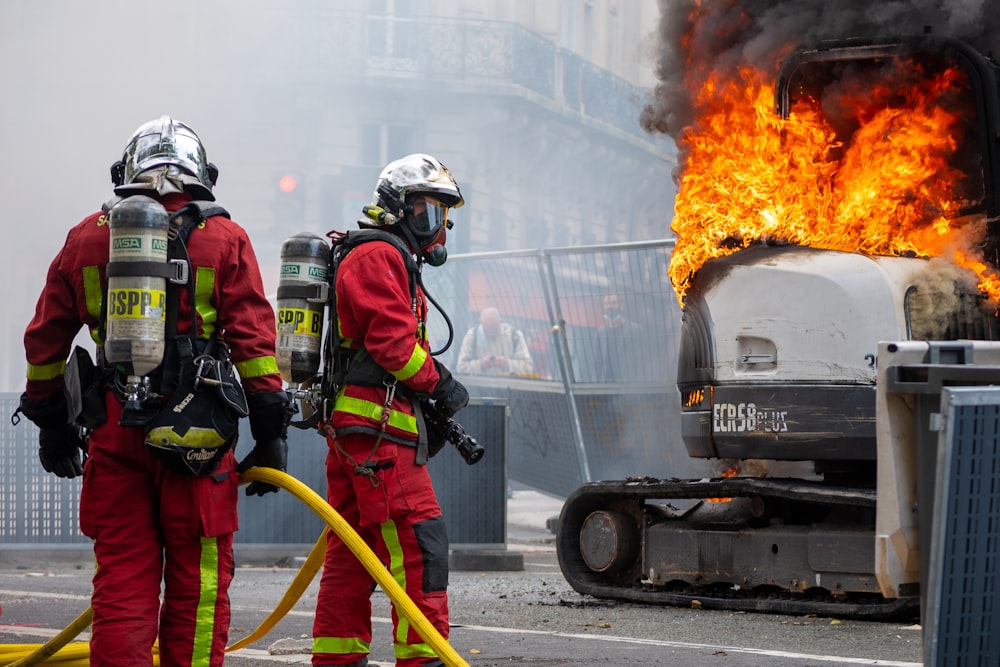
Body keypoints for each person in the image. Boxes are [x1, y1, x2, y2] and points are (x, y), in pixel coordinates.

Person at [15, 116, 289, 667]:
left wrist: (52, 427)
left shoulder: (88, 235)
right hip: (199, 433)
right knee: (198, 586)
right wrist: (270, 430)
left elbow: (45, 342)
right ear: (200, 174)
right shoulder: (224, 238)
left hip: (114, 430)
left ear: (128, 172)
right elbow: (255, 344)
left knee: (122, 582)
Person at [311, 153, 470, 667]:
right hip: (379, 435)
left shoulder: (384, 255)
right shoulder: (377, 255)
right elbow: (394, 346)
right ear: (397, 208)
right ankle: (425, 660)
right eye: (426, 212)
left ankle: (337, 658)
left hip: (365, 433)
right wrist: (441, 385)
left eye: (442, 215)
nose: (436, 227)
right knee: (420, 546)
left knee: (351, 554)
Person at [456, 306, 534, 375]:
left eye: (494, 329)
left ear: (500, 322)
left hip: (509, 388)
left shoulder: (515, 336)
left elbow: (528, 368)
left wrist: (506, 363)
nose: (491, 333)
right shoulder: (472, 336)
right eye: (487, 330)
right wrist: (481, 364)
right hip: (479, 388)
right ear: (481, 323)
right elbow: (461, 368)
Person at [594, 292, 643, 382]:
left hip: (629, 386)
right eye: (606, 304)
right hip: (607, 386)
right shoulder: (600, 333)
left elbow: (642, 361)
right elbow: (598, 362)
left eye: (613, 303)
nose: (609, 307)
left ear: (621, 306)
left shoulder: (636, 331)